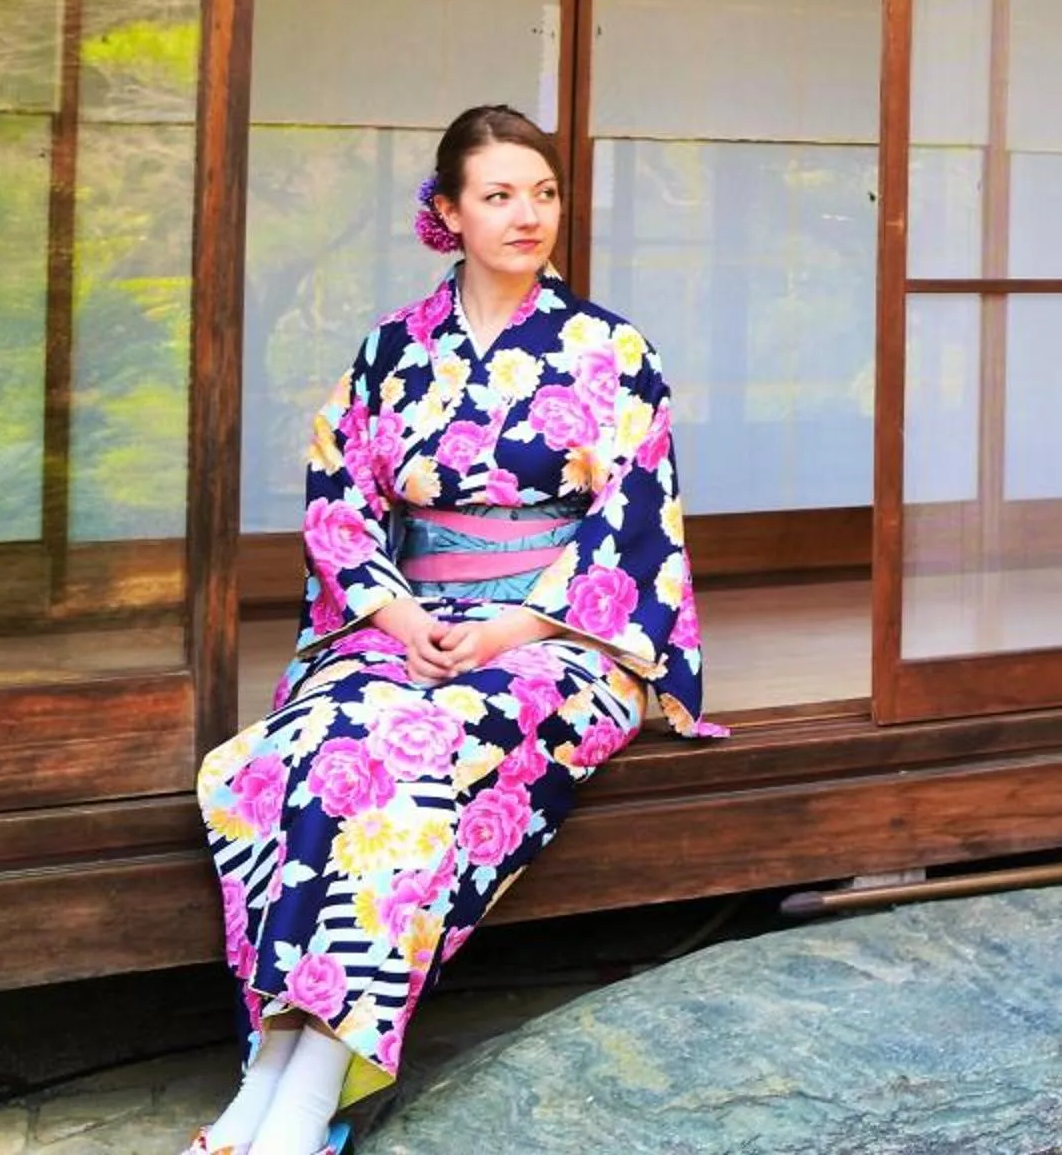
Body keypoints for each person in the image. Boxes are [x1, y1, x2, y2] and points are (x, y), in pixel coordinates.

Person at [189, 105, 719, 1155]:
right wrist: (399, 612)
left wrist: (510, 626)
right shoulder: (392, 349)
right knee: (300, 750)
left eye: (546, 192)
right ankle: (276, 1062)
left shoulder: (610, 349)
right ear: (448, 211)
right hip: (407, 619)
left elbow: (634, 526)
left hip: (558, 637)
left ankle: (301, 1093)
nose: (530, 215)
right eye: (500, 194)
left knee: (410, 755)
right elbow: (339, 504)